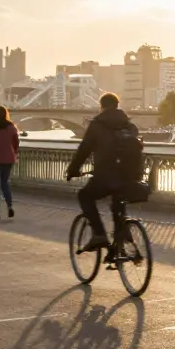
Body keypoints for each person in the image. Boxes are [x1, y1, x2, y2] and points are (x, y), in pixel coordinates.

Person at [66, 93, 142, 252]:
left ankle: (99, 234)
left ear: (101, 106)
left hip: (105, 176)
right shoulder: (129, 125)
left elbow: (84, 150)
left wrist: (73, 170)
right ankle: (122, 234)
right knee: (118, 200)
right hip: (130, 177)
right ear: (117, 105)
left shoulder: (96, 125)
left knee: (84, 196)